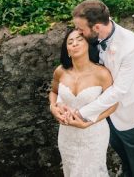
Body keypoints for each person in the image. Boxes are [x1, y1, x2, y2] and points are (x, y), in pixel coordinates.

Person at [65, 0, 134, 177]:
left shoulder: (131, 45)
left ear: (97, 27)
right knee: (123, 155)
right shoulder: (90, 38)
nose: (78, 32)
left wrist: (83, 113)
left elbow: (119, 91)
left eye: (81, 29)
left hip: (129, 114)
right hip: (105, 115)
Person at [49, 29, 117, 177]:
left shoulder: (102, 74)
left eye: (79, 39)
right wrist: (53, 107)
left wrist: (89, 123)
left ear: (88, 45)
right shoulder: (60, 71)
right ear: (67, 50)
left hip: (94, 134)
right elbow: (54, 92)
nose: (75, 43)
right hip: (67, 135)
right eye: (70, 41)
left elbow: (113, 104)